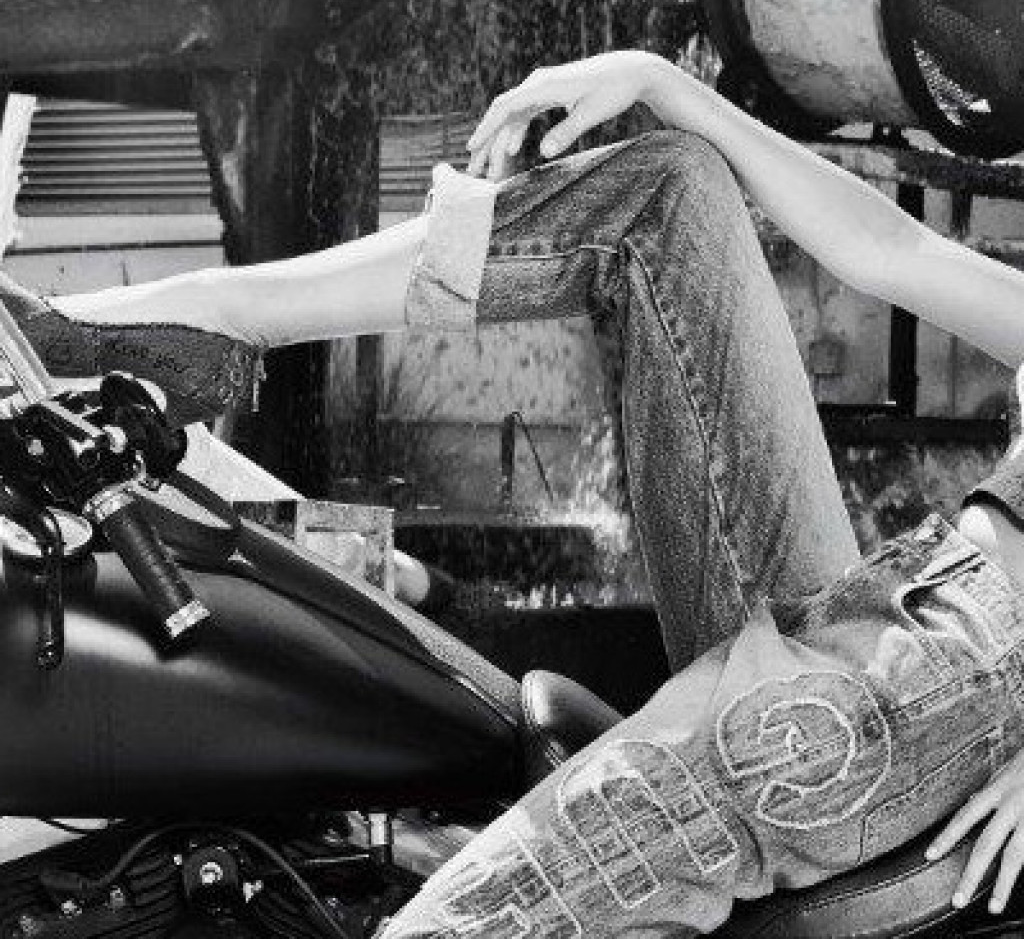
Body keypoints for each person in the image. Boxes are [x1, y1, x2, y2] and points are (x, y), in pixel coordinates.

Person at [7, 50, 1024, 935]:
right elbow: (892, 250)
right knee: (669, 189)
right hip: (891, 609)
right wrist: (662, 82)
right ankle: (191, 322)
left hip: (937, 684)